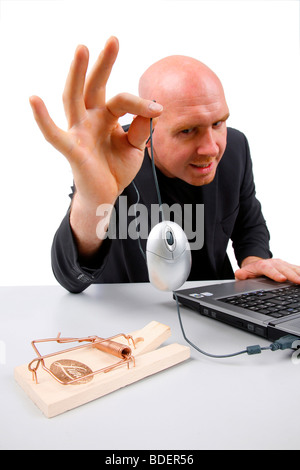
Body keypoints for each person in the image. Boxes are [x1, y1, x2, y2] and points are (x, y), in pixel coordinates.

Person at [30, 37, 300, 293]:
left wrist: (254, 264)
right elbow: (70, 278)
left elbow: (248, 224)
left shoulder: (236, 148)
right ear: (147, 134)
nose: (211, 148)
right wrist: (90, 203)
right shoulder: (110, 156)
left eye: (218, 123)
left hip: (215, 313)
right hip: (128, 323)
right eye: (187, 131)